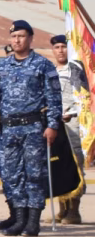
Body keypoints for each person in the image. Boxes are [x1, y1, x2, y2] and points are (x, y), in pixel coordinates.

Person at [0, 21, 63, 237]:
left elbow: (54, 99)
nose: (17, 40)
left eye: (22, 36)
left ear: (30, 38)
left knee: (34, 174)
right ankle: (19, 218)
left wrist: (52, 126)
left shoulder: (43, 65)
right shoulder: (3, 66)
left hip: (34, 127)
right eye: (14, 36)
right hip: (8, 129)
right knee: (11, 174)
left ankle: (33, 221)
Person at [49, 34, 86, 224]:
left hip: (73, 121)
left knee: (76, 163)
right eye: (57, 47)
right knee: (58, 164)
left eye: (63, 46)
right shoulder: (51, 71)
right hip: (55, 124)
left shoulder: (77, 70)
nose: (60, 50)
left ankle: (74, 210)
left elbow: (85, 96)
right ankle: (62, 208)